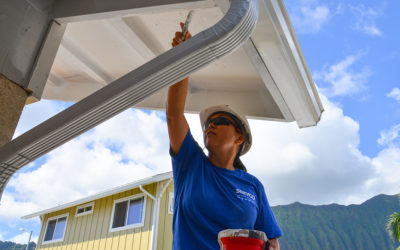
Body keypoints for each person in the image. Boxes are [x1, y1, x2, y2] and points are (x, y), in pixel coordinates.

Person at [166, 23, 282, 250]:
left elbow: (272, 241)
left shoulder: (253, 185)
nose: (209, 126)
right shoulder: (191, 163)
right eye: (208, 124)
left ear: (240, 138)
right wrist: (184, 58)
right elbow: (173, 116)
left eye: (219, 122)